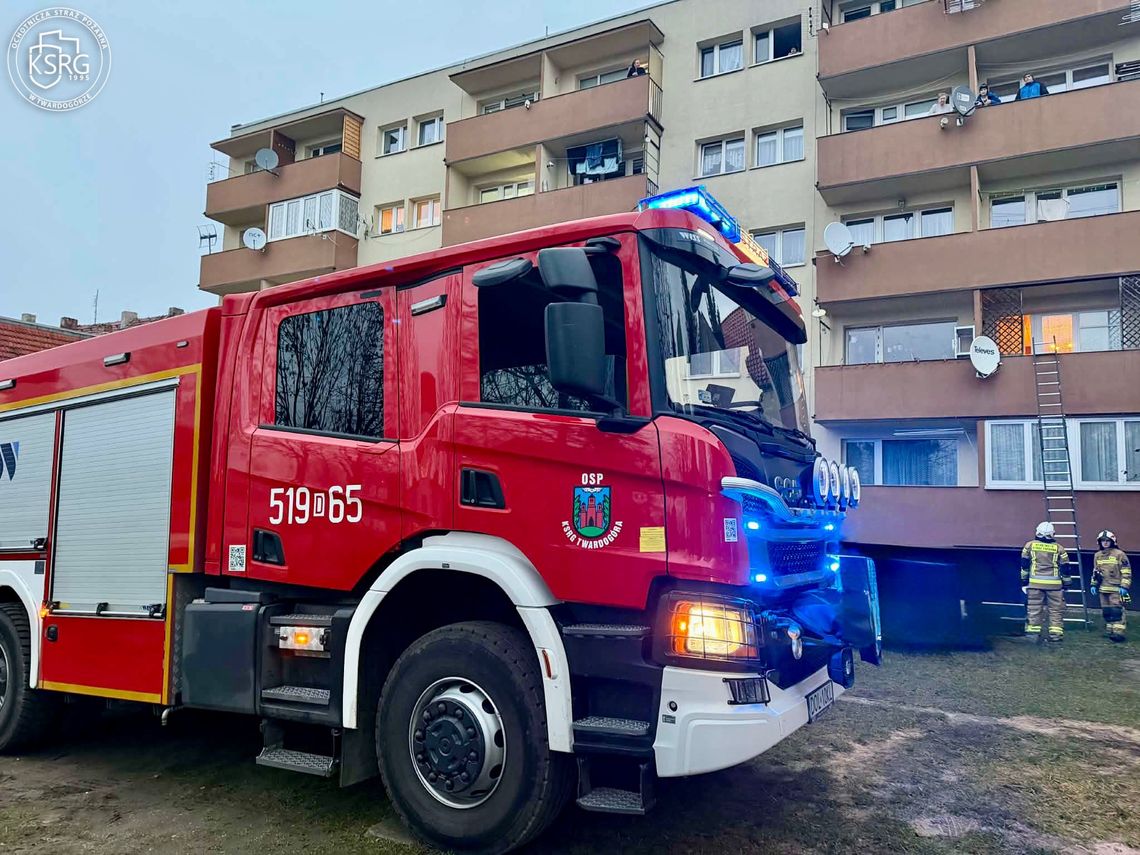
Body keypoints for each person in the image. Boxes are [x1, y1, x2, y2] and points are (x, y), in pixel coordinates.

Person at [1021, 521, 1070, 643]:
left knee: (1034, 608)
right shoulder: (1059, 548)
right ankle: (1056, 635)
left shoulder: (1029, 546)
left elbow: (1024, 565)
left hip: (1034, 584)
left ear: (1037, 532)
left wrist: (1024, 581)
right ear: (1052, 534)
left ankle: (1033, 634)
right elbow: (1065, 568)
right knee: (1055, 610)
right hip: (1055, 585)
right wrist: (1067, 583)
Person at [1091, 530, 1131, 643]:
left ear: (1112, 541)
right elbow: (1095, 572)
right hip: (1103, 589)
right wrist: (1093, 584)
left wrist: (1124, 586)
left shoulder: (1119, 554)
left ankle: (1119, 633)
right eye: (1103, 541)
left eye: (1107, 541)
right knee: (1107, 611)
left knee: (1116, 610)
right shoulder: (1097, 556)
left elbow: (1126, 571)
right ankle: (1110, 631)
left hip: (1116, 589)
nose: (1105, 543)